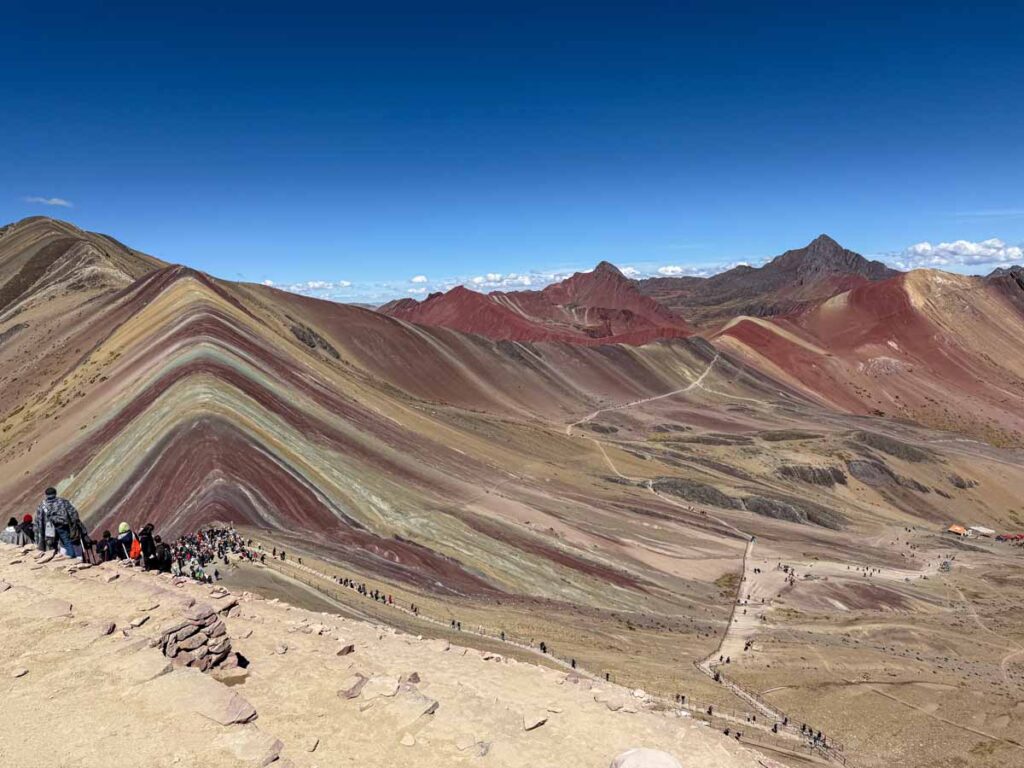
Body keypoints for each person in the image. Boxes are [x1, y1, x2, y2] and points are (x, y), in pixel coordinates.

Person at [35, 487, 86, 558]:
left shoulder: (42, 505)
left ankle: (54, 557)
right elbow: (73, 513)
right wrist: (73, 524)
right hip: (62, 525)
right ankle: (71, 557)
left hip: (49, 528)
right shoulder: (63, 501)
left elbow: (38, 519)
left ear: (46, 495)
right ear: (55, 493)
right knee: (67, 541)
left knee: (51, 544)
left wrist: (40, 532)